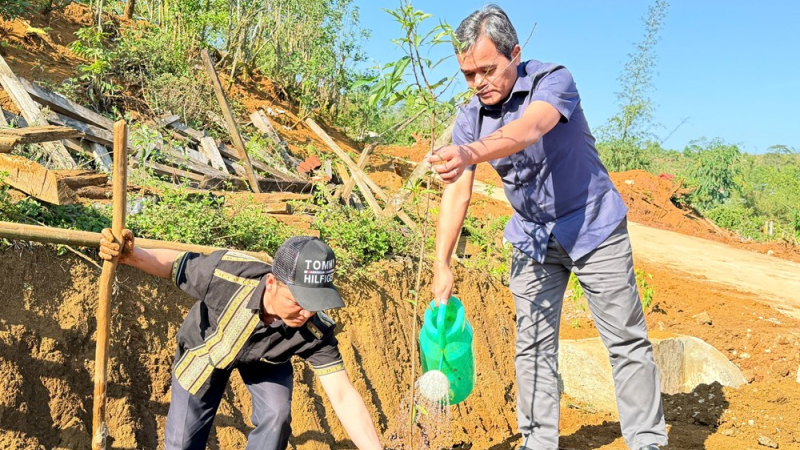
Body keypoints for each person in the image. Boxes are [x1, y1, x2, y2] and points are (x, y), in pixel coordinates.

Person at [426, 5, 667, 450]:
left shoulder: (552, 80)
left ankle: (648, 441)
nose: (478, 83)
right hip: (533, 237)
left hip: (593, 228)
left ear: (514, 54)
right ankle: (538, 443)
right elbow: (457, 191)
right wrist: (442, 262)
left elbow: (530, 129)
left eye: (487, 70)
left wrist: (467, 152)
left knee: (626, 342)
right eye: (468, 75)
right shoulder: (470, 118)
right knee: (532, 348)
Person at [99, 229, 383, 450]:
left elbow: (343, 396)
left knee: (277, 415)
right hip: (207, 350)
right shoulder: (226, 274)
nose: (307, 312)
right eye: (298, 300)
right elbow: (173, 265)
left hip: (267, 360)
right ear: (272, 283)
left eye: (315, 302)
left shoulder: (315, 330)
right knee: (183, 440)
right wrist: (130, 255)